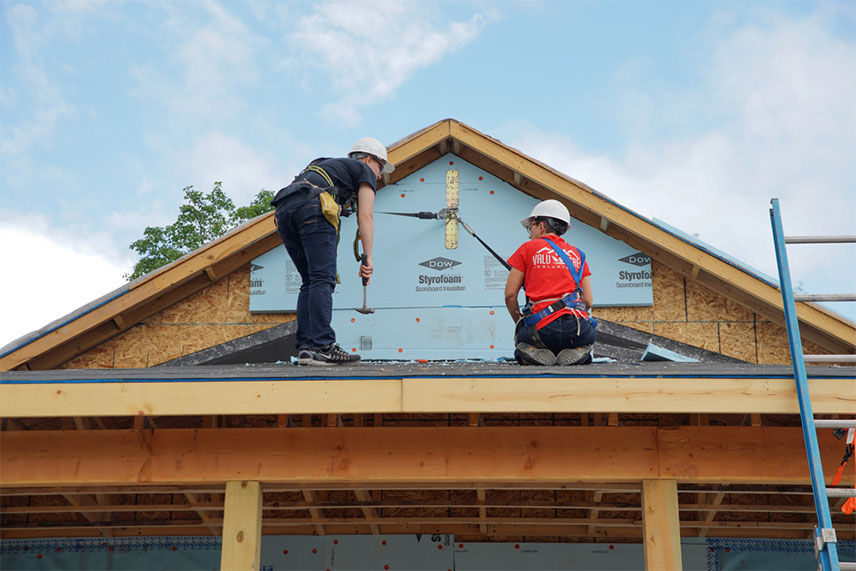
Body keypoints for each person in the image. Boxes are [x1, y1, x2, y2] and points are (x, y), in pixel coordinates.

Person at [270, 137, 394, 366]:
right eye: (380, 167)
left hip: (284, 210)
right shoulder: (363, 170)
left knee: (309, 281)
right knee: (322, 279)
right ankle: (323, 346)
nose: (379, 175)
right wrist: (368, 258)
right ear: (368, 159)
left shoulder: (329, 165)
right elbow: (366, 216)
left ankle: (307, 349)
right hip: (312, 205)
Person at [504, 199, 596, 366]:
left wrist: (519, 323)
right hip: (578, 329)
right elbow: (588, 300)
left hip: (541, 331)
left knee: (525, 339)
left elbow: (510, 295)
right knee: (584, 336)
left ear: (541, 226)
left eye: (530, 226)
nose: (529, 233)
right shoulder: (578, 254)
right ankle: (576, 350)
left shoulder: (527, 249)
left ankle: (534, 351)